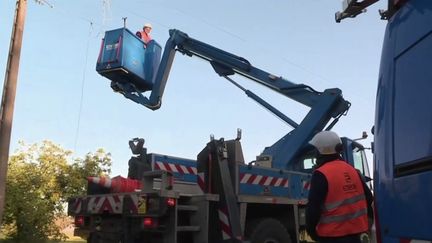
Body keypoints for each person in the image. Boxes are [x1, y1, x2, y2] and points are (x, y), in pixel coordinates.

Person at [305, 131, 373, 243]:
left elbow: (313, 208)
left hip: (333, 236)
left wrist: (312, 232)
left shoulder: (321, 174)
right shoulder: (353, 170)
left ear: (321, 151)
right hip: (358, 235)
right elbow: (369, 198)